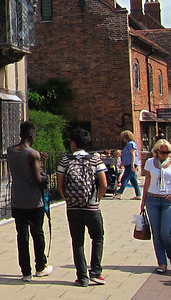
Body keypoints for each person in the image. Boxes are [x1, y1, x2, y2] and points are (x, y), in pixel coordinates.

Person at [58, 127, 108, 286]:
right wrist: (96, 199)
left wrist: (68, 199)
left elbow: (59, 185)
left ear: (73, 143)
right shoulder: (95, 160)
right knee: (97, 238)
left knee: (78, 242)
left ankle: (82, 277)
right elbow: (104, 184)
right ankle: (95, 272)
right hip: (92, 207)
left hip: (73, 208)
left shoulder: (65, 161)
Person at [7, 121, 52, 281]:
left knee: (22, 236)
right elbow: (37, 178)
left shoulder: (10, 150)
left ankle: (25, 271)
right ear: (32, 135)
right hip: (33, 201)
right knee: (38, 234)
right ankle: (40, 267)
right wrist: (46, 177)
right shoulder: (33, 154)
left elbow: (23, 164)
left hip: (17, 199)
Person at [140, 139, 171, 273]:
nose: (165, 155)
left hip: (167, 200)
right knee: (156, 234)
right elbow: (147, 182)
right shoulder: (149, 163)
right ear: (156, 152)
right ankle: (162, 263)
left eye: (168, 152)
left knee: (166, 232)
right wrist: (143, 201)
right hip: (152, 199)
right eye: (163, 152)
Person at [116, 130, 142, 198]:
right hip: (128, 164)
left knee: (125, 178)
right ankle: (138, 194)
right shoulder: (129, 144)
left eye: (123, 137)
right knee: (133, 180)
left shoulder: (131, 144)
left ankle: (119, 193)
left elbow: (133, 154)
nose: (122, 139)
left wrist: (132, 164)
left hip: (131, 164)